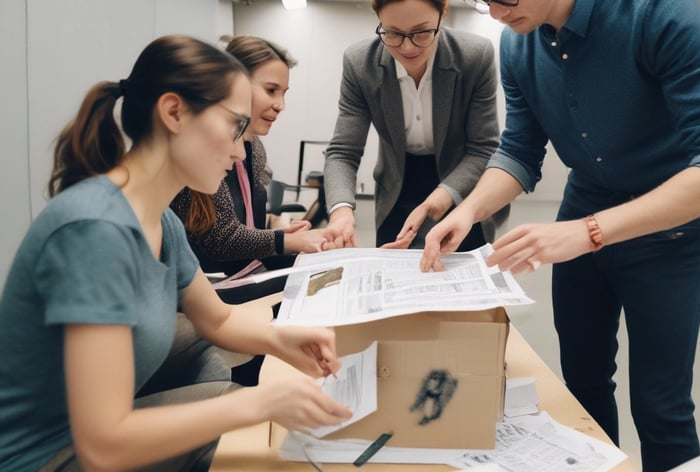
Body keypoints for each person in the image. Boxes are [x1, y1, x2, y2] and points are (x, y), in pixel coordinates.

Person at [420, 1, 700, 471]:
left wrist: (591, 231)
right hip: (584, 209)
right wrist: (469, 209)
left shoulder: (658, 15)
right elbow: (519, 148)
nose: (496, 13)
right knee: (582, 382)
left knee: (661, 404)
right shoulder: (518, 43)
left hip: (669, 228)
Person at [0, 35, 352, 471]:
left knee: (225, 392)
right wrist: (261, 403)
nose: (241, 150)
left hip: (80, 435)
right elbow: (103, 445)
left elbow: (216, 319)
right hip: (42, 458)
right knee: (245, 433)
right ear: (174, 112)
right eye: (235, 127)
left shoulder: (160, 219)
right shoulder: (95, 232)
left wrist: (283, 341)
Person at [323, 0, 509, 250]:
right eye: (393, 33)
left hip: (461, 180)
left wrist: (440, 199)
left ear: (442, 14)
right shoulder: (360, 64)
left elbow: (482, 148)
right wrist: (341, 211)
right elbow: (343, 151)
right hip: (398, 183)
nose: (407, 46)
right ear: (378, 19)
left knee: (461, 270)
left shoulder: (474, 56)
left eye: (422, 32)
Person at [171, 35, 330, 278]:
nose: (281, 105)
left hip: (244, 271)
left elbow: (245, 221)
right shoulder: (201, 148)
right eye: (271, 90)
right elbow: (219, 239)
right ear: (235, 84)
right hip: (214, 280)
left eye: (283, 93)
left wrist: (279, 231)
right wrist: (286, 241)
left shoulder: (255, 147)